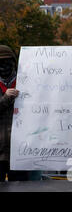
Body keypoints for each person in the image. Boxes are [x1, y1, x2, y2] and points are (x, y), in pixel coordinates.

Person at [0, 45, 26, 182]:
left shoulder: (27, 82)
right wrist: (5, 98)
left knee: (20, 187)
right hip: (0, 150)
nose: (4, 66)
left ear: (14, 62)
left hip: (21, 150)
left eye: (7, 61)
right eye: (0, 62)